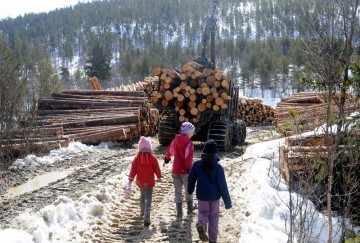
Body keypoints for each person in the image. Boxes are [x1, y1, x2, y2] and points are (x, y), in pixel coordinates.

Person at [188, 140, 232, 243]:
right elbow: (223, 186)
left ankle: (201, 224)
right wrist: (227, 202)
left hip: (202, 197)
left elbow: (191, 179)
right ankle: (212, 240)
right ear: (215, 153)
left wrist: (190, 190)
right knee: (214, 217)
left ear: (204, 151)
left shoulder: (197, 164)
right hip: (214, 198)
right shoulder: (218, 167)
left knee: (203, 213)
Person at [164, 122, 195, 219]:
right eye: (192, 132)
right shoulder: (189, 144)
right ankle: (190, 209)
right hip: (185, 172)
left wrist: (167, 158)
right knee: (188, 189)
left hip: (175, 170)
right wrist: (189, 169)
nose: (193, 134)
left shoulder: (175, 140)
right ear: (189, 133)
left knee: (177, 191)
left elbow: (170, 149)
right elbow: (188, 157)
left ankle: (179, 213)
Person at [128, 136, 161, 226]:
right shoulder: (153, 158)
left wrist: (130, 179)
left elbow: (133, 169)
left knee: (142, 196)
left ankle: (142, 212)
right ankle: (147, 216)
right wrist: (159, 176)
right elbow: (156, 168)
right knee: (149, 198)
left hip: (140, 182)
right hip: (149, 182)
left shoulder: (137, 158)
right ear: (150, 147)